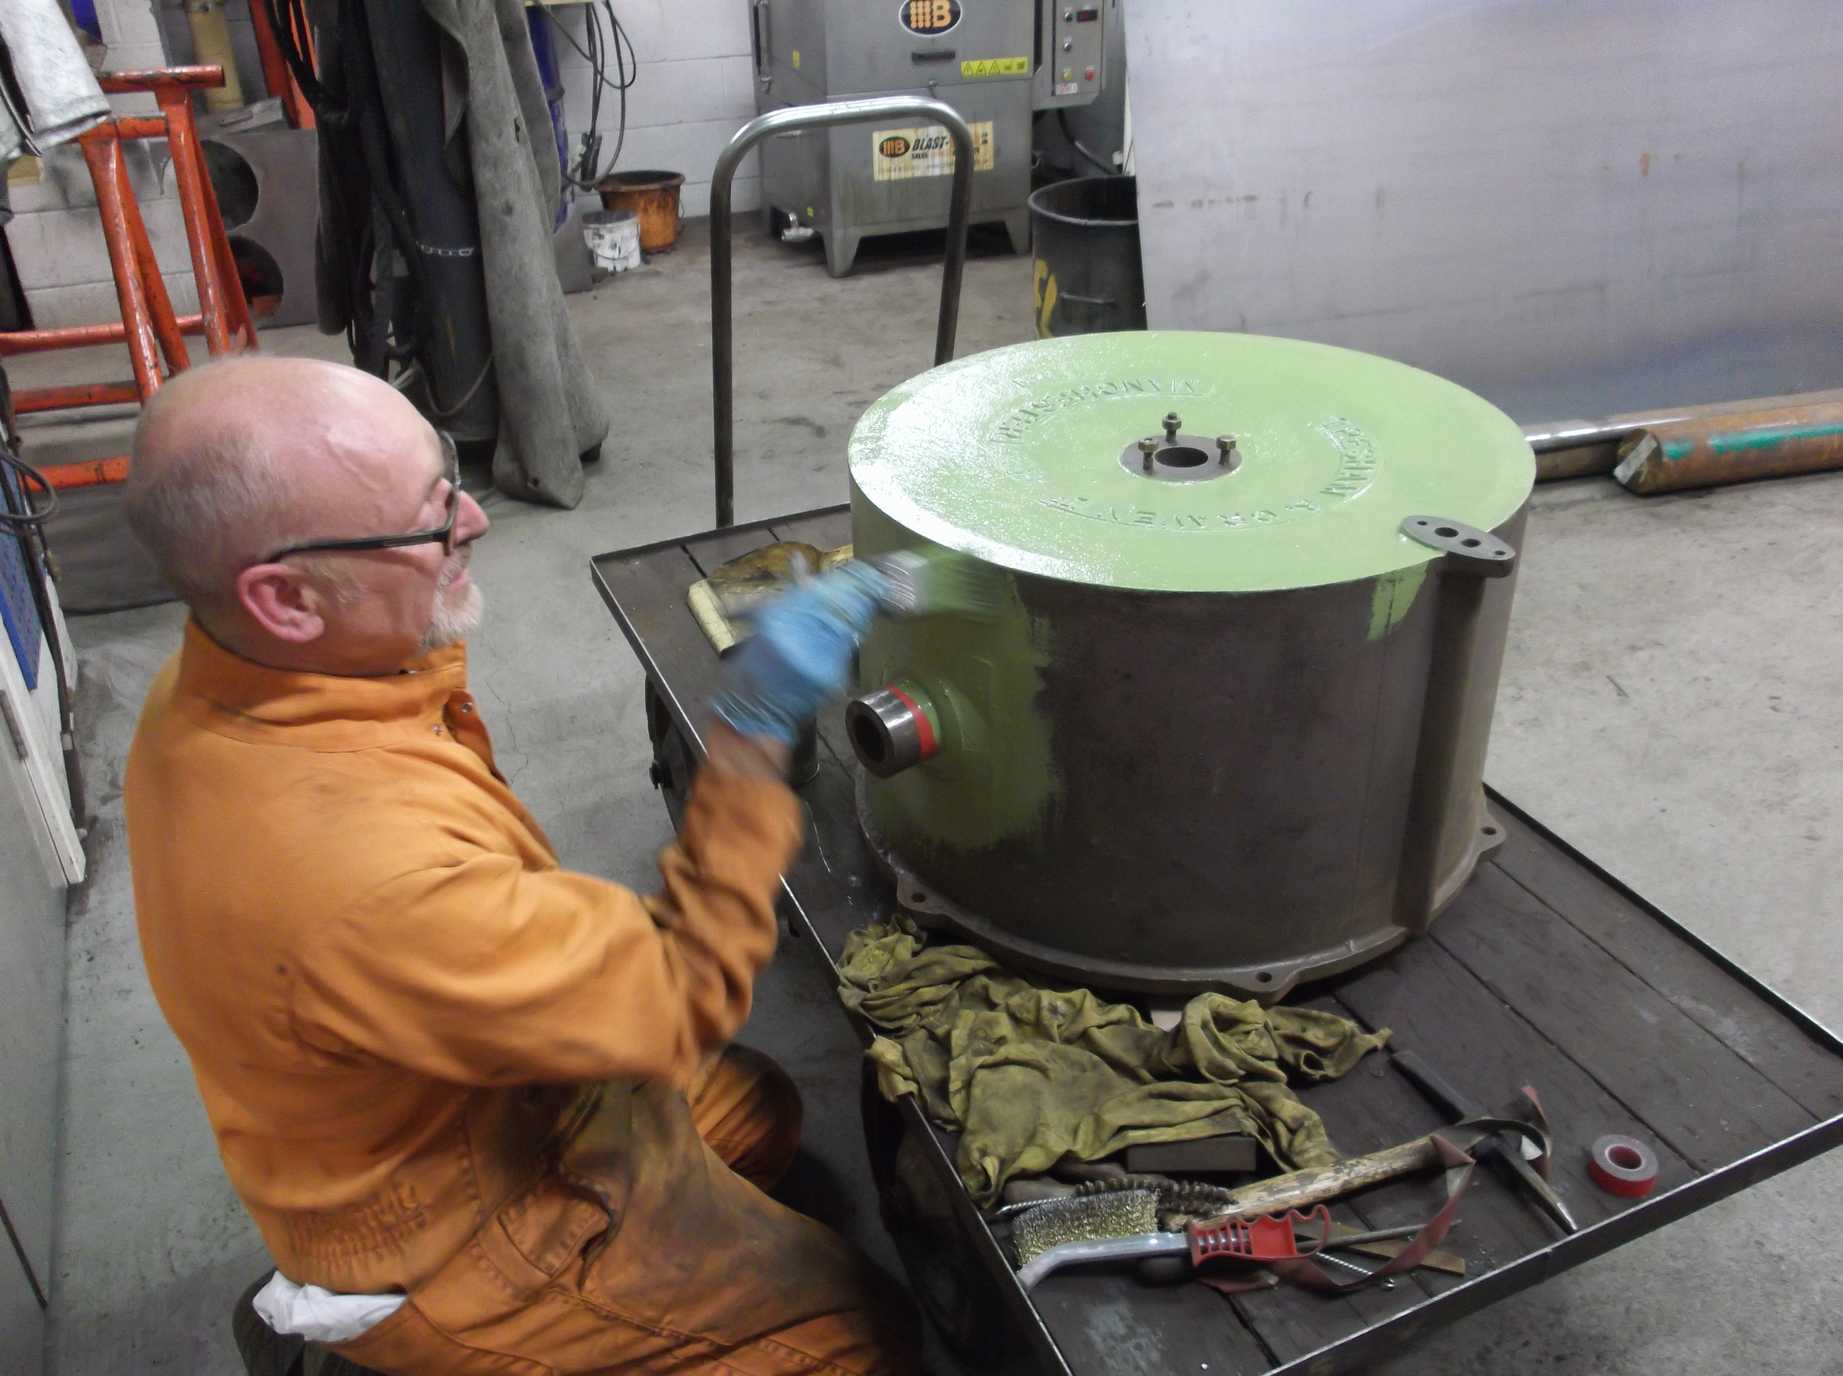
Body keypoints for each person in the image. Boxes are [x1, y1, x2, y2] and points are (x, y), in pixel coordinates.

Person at [121, 356, 919, 1374]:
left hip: (462, 1084)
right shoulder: (361, 869)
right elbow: (676, 993)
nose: (474, 522)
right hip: (461, 1228)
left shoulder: (228, 679)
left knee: (759, 1110)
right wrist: (753, 733)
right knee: (861, 1338)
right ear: (284, 598)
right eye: (427, 520)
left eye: (448, 479)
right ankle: (404, 1342)